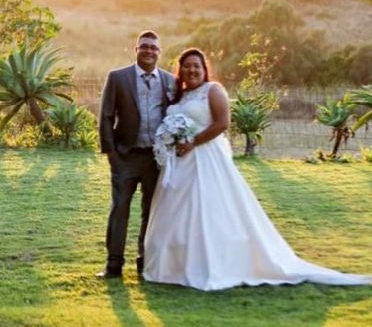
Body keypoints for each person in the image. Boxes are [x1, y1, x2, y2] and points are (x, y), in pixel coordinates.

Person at [143, 48, 371, 290]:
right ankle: (174, 267)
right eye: (187, 65)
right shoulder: (179, 97)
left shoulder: (213, 90)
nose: (192, 69)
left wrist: (193, 142)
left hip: (205, 160)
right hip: (179, 165)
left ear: (204, 68)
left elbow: (222, 123)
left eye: (196, 65)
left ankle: (210, 264)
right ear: (181, 70)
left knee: (207, 211)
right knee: (177, 213)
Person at [98, 30, 177, 278]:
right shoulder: (118, 78)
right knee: (120, 208)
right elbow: (106, 116)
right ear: (136, 49)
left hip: (155, 159)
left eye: (154, 47)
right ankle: (113, 265)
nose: (149, 51)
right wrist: (111, 153)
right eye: (145, 46)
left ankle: (145, 264)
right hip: (125, 157)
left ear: (159, 52)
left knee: (151, 212)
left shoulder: (169, 81)